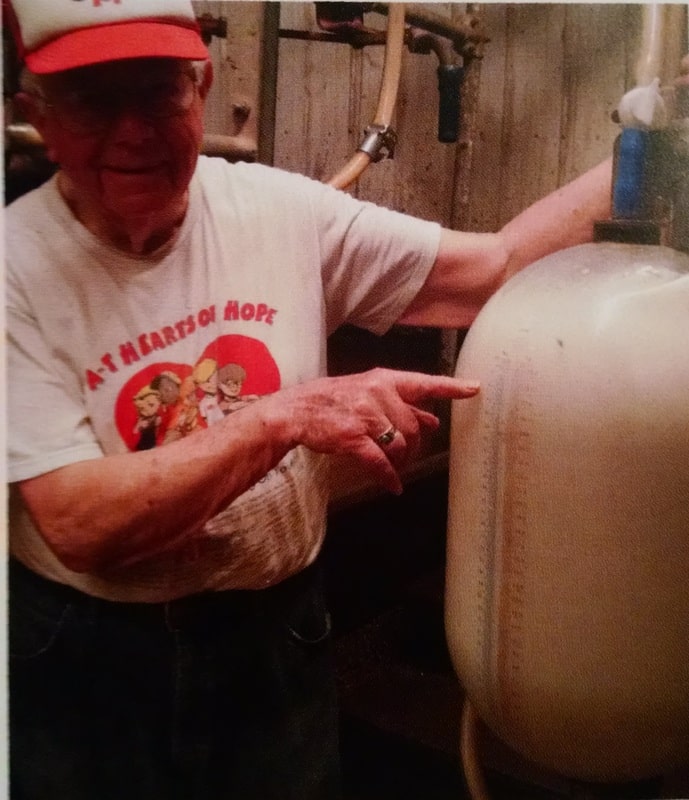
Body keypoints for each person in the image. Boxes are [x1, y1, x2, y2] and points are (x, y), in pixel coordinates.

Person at [4, 1, 614, 798]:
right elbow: (82, 524)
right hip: (91, 652)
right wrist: (284, 415)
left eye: (158, 91)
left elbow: (491, 269)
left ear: (203, 86)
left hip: (274, 631)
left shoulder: (274, 211)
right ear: (35, 116)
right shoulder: (14, 267)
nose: (134, 131)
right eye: (94, 98)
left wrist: (652, 132)